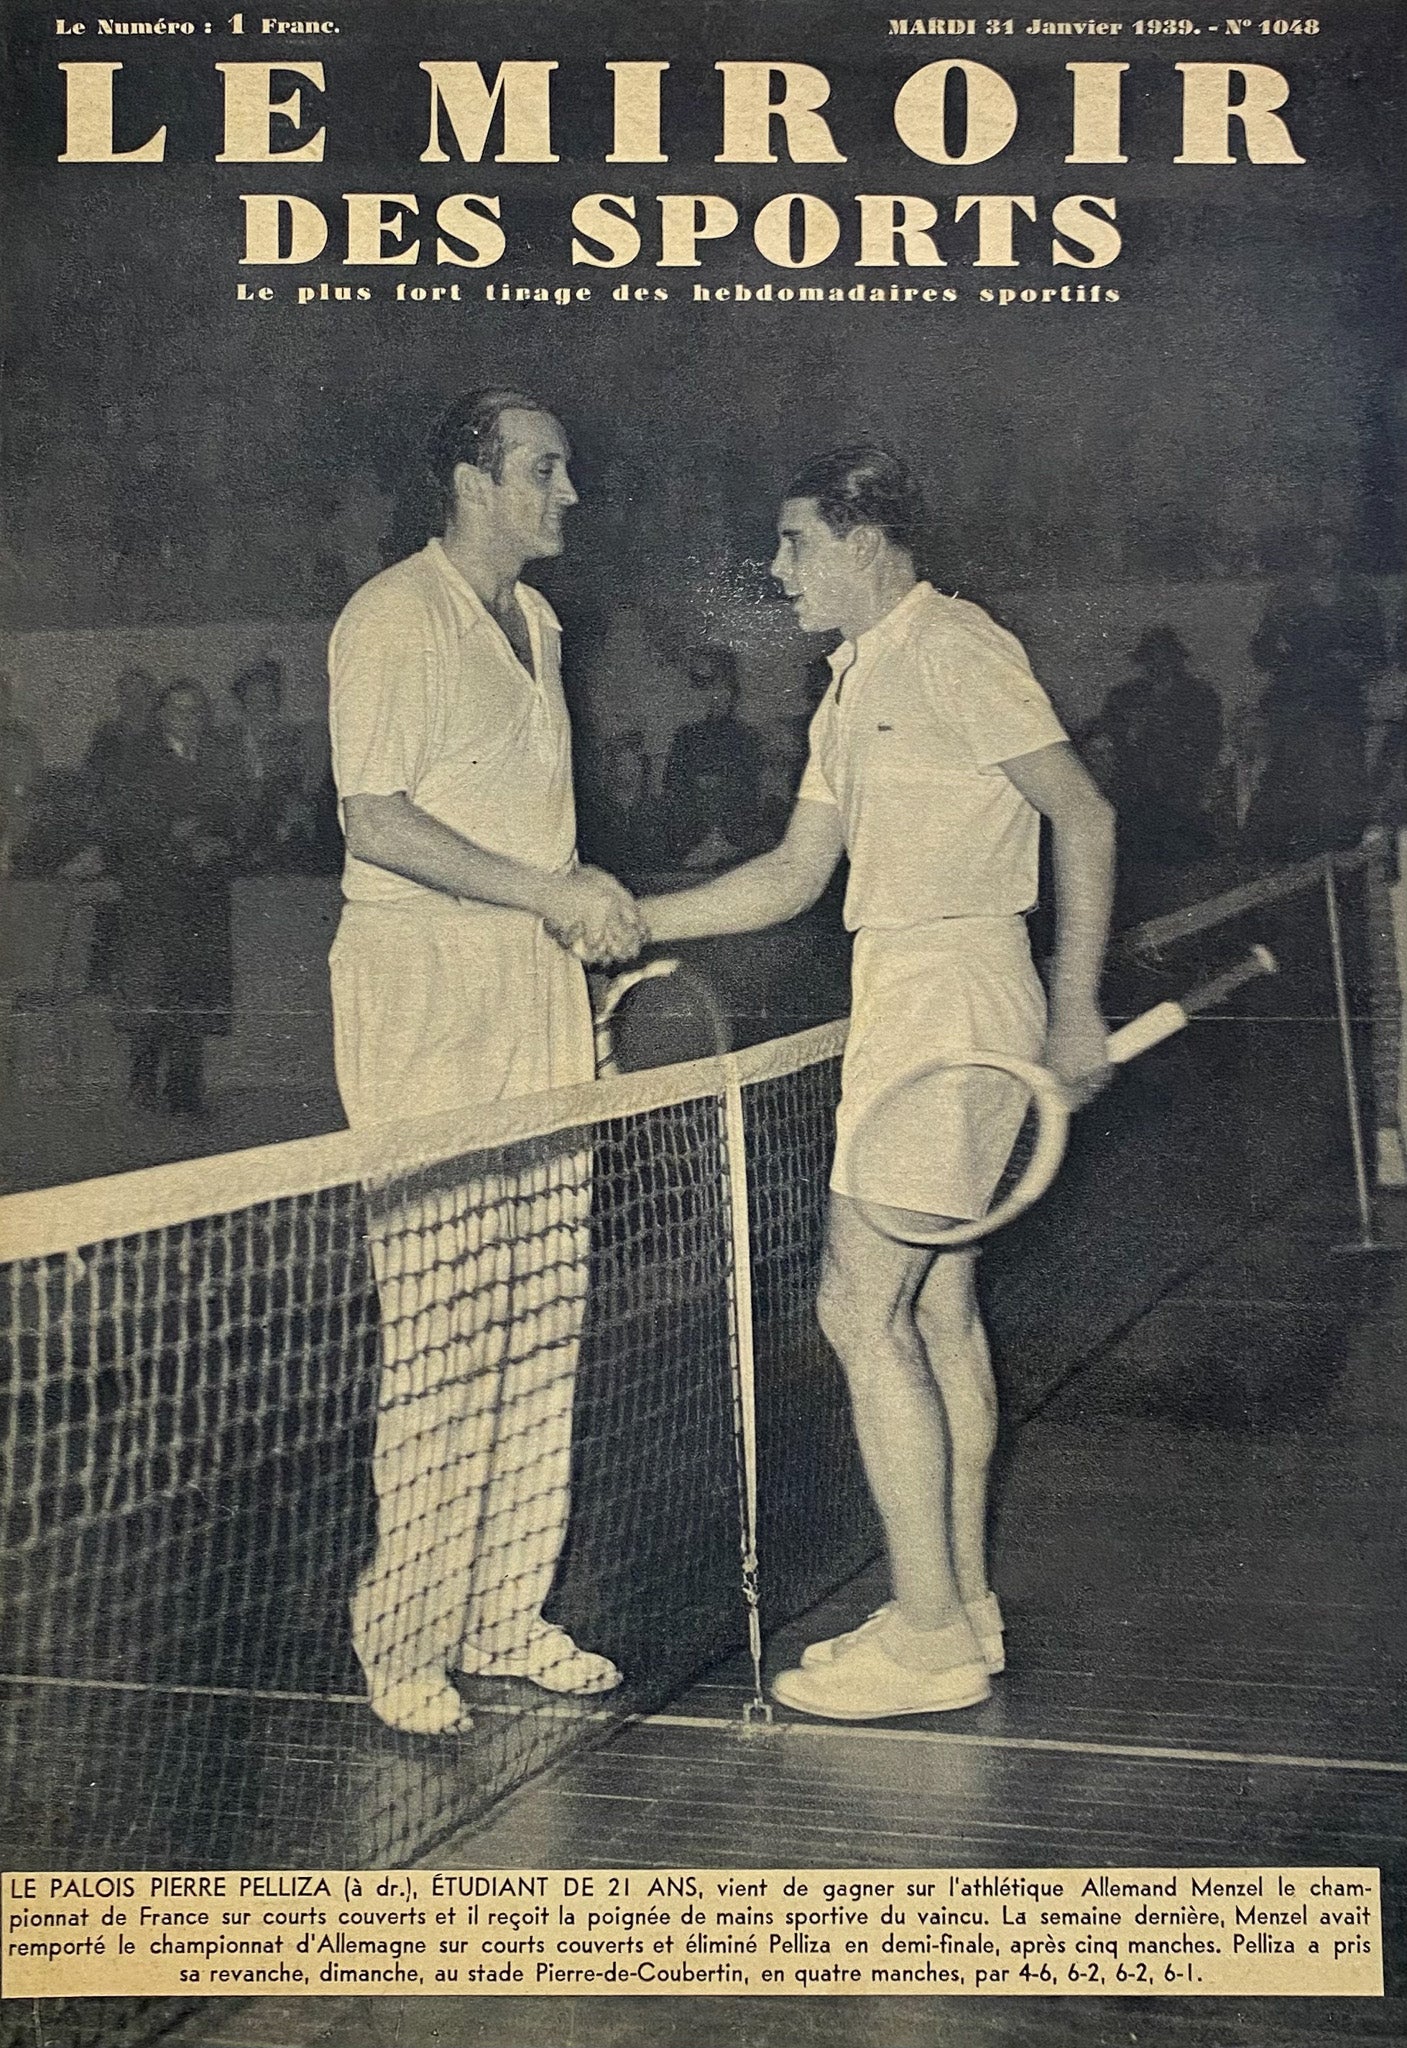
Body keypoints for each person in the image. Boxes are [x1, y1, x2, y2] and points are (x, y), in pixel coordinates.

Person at [640, 446, 1116, 1721]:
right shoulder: (849, 686)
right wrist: (635, 917)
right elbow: (797, 874)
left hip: (957, 995)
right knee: (937, 1311)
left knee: (860, 1309)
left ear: (863, 539)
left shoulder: (956, 647)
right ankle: (958, 1606)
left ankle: (924, 1634)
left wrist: (1073, 1001)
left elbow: (1083, 812)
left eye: (796, 542)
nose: (780, 568)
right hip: (904, 990)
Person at [327, 387, 645, 1736]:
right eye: (540, 471)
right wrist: (544, 889)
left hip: (529, 984)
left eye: (563, 472)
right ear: (466, 479)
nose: (564, 495)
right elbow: (375, 818)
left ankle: (504, 1610)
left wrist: (565, 925)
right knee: (445, 1323)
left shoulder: (539, 619)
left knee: (539, 1309)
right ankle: (404, 1642)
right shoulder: (392, 618)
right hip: (424, 987)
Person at [106, 679, 238, 1117]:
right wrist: (174, 837)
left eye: (196, 710)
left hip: (203, 897)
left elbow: (237, 815)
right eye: (178, 710)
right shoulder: (137, 761)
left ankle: (185, 1090)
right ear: (162, 714)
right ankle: (143, 1084)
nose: (188, 718)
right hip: (155, 897)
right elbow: (123, 823)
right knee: (153, 993)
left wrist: (219, 841)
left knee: (194, 993)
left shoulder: (219, 761)